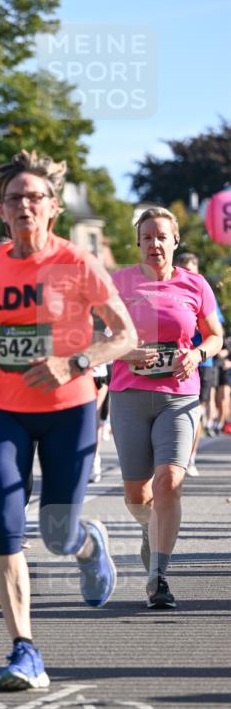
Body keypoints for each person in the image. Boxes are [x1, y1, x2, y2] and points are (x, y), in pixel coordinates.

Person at [0, 150, 137, 691]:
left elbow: (124, 335)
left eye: (35, 197)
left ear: (52, 207)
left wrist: (73, 362)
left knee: (56, 533)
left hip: (67, 410)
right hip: (1, 410)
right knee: (4, 530)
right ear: (1, 211)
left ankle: (87, 543)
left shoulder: (77, 263)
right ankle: (24, 649)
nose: (24, 205)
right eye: (13, 199)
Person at [110, 207, 223, 608]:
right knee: (137, 496)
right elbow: (95, 334)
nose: (154, 244)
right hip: (128, 395)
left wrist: (197, 353)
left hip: (180, 395)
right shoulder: (118, 282)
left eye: (162, 236)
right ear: (138, 243)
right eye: (147, 237)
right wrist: (126, 351)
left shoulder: (195, 284)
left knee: (169, 482)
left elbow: (215, 334)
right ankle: (149, 527)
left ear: (175, 241)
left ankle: (159, 576)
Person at [175, 253, 225, 474]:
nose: (188, 274)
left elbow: (216, 331)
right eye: (183, 269)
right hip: (175, 363)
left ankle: (191, 457)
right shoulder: (172, 292)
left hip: (203, 364)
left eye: (191, 269)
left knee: (196, 412)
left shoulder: (203, 292)